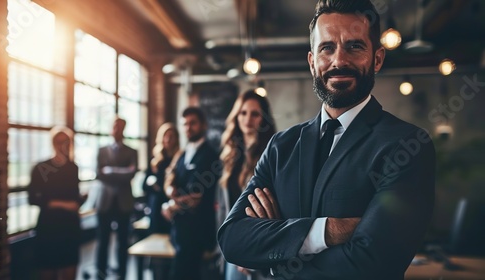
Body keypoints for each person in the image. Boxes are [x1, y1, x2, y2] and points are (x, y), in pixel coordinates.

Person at [217, 1, 436, 279]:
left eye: (354, 47)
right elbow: (232, 239)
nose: (339, 61)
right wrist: (328, 230)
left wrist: (275, 256)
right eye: (327, 48)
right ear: (312, 62)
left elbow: (373, 263)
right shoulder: (280, 147)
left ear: (377, 59)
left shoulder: (407, 145)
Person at [219, 89, 276, 280]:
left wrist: (255, 250)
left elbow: (272, 209)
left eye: (255, 114)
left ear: (263, 119)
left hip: (258, 246)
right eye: (243, 113)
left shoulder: (272, 153)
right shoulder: (231, 155)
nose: (247, 119)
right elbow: (224, 207)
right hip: (232, 246)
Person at [162, 107, 221, 280]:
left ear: (204, 125)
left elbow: (196, 197)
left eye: (192, 123)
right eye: (185, 124)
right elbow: (171, 179)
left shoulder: (211, 155)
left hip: (198, 232)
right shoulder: (182, 154)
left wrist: (172, 205)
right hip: (179, 230)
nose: (188, 128)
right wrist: (170, 191)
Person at [28, 126, 83, 280]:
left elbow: (74, 196)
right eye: (60, 142)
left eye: (67, 142)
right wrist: (63, 204)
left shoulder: (73, 168)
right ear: (53, 144)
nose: (63, 146)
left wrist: (80, 200)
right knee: (47, 270)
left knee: (69, 270)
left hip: (69, 227)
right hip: (49, 227)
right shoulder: (40, 168)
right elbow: (33, 198)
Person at [95, 117, 138, 279]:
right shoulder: (101, 150)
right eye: (114, 127)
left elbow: (132, 173)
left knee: (122, 240)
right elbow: (99, 174)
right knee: (102, 240)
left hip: (124, 202)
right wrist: (122, 172)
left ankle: (122, 273)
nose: (116, 130)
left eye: (119, 127)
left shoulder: (132, 151)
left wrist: (110, 171)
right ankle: (100, 271)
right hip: (105, 201)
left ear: (124, 129)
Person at [141, 123, 179, 235]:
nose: (168, 139)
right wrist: (156, 187)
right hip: (156, 206)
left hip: (172, 206)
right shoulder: (155, 161)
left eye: (171, 136)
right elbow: (144, 186)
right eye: (165, 136)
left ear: (176, 139)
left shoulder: (180, 159)